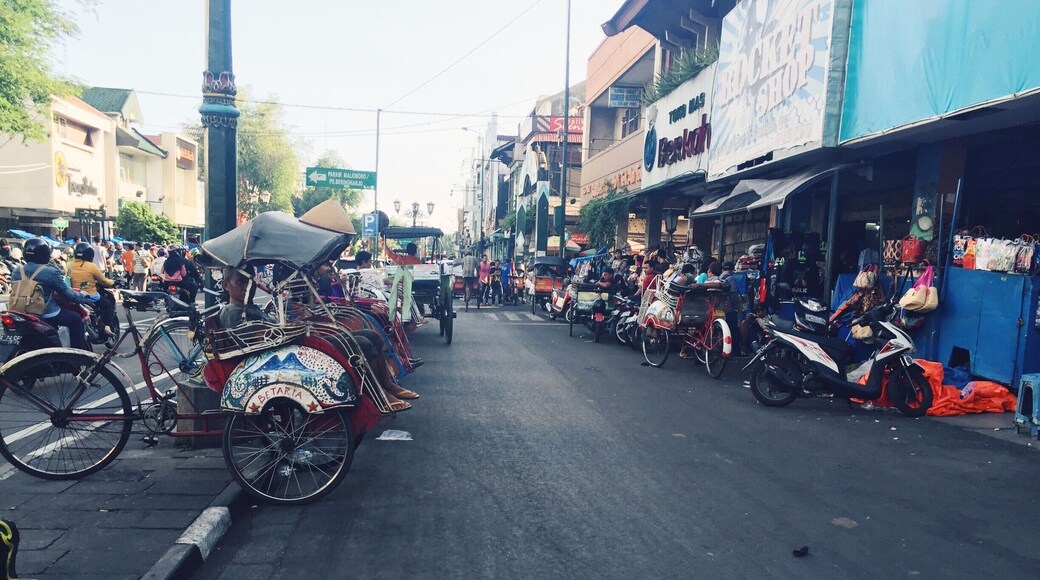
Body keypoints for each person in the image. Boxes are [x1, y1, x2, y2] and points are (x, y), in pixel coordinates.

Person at [219, 266, 415, 411]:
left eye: (250, 281)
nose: (248, 287)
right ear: (226, 285)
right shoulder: (233, 312)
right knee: (360, 343)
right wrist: (285, 330)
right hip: (284, 353)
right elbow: (254, 337)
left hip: (293, 343)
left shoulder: (249, 307)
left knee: (370, 335)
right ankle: (379, 396)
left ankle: (386, 385)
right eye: (241, 282)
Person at [11, 238, 97, 350]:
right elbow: (68, 294)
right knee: (76, 319)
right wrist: (82, 296)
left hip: (19, 312)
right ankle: (78, 357)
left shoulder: (16, 271)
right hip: (46, 312)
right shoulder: (50, 272)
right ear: (44, 254)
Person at [69, 242, 117, 337]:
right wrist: (114, 282)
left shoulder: (69, 265)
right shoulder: (91, 266)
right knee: (107, 305)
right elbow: (104, 281)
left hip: (73, 295)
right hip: (90, 295)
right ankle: (107, 327)